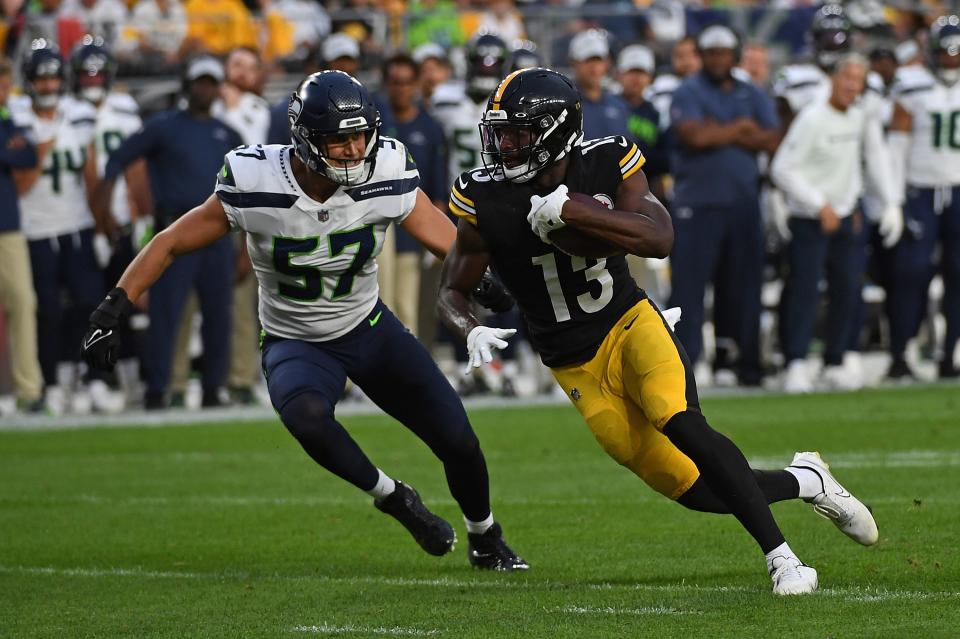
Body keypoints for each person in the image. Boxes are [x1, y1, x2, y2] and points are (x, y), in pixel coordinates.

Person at [437, 67, 878, 595]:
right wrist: (467, 329)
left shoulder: (604, 160)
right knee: (695, 490)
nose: (503, 147)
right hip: (572, 362)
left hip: (628, 322)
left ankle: (783, 559)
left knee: (681, 422)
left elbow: (659, 237)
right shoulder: (483, 197)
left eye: (517, 135)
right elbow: (451, 289)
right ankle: (809, 480)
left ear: (554, 131)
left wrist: (574, 209)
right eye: (499, 134)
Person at [81, 70, 527, 571]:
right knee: (306, 417)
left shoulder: (386, 168)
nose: (355, 150)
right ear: (306, 139)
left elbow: (432, 225)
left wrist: (478, 277)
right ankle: (393, 496)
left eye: (361, 135)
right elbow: (169, 242)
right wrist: (114, 306)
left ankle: (485, 536)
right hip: (296, 339)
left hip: (368, 326)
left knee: (457, 438)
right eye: (340, 140)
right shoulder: (256, 181)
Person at [92, 56, 243, 409]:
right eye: (199, 82)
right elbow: (119, 158)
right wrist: (104, 210)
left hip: (220, 234)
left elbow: (249, 193)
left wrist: (245, 246)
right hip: (176, 231)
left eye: (211, 82)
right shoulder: (164, 126)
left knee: (219, 315)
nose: (205, 89)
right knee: (165, 314)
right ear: (187, 86)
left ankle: (212, 388)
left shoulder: (229, 134)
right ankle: (157, 388)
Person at [771, 54, 898, 393]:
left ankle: (836, 359)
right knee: (804, 289)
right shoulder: (812, 118)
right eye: (847, 79)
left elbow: (864, 162)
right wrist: (819, 204)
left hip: (845, 215)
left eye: (858, 80)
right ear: (834, 79)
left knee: (847, 288)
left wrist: (876, 203)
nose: (852, 86)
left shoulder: (858, 117)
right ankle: (795, 362)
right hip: (810, 218)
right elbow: (782, 168)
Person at [667, 25, 779, 387]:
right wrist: (742, 130)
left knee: (743, 286)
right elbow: (694, 135)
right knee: (689, 288)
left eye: (724, 51)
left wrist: (721, 130)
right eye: (711, 52)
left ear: (735, 53)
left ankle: (739, 362)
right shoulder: (687, 90)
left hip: (743, 201)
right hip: (697, 203)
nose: (718, 58)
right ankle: (688, 363)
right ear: (702, 54)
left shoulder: (750, 90)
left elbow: (773, 139)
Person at [12, 39, 103, 415]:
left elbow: (92, 176)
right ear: (30, 81)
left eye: (53, 78)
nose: (48, 86)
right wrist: (42, 147)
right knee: (46, 310)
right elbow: (20, 182)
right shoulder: (15, 116)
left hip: (77, 224)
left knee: (89, 304)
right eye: (41, 79)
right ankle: (49, 382)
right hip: (35, 228)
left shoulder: (79, 113)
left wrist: (100, 226)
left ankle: (87, 377)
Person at [71, 34, 148, 409]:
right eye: (86, 75)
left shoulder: (124, 108)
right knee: (89, 304)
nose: (92, 81)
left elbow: (136, 169)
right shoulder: (69, 111)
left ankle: (129, 376)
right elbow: (86, 174)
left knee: (125, 303)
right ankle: (92, 376)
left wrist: (138, 215)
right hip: (82, 220)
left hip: (121, 221)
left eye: (98, 74)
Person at [886, 15, 960, 380]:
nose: (951, 59)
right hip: (920, 191)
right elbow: (896, 148)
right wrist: (893, 200)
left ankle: (951, 352)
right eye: (945, 52)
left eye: (956, 53)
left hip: (958, 190)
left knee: (958, 275)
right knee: (912, 272)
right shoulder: (911, 85)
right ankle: (902, 350)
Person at [0, 55, 44, 414]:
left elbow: (27, 155)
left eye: (4, 85)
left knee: (24, 303)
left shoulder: (9, 118)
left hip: (8, 225)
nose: (3, 92)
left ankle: (29, 390)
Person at [568, 29, 630, 140]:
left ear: (607, 63)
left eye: (598, 60)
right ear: (573, 63)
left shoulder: (619, 105)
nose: (594, 68)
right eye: (587, 61)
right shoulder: (565, 105)